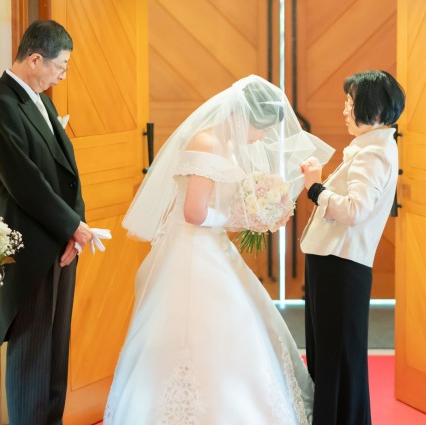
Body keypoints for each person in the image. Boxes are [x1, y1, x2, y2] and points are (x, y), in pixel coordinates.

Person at [104, 75, 333, 424]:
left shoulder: (227, 144)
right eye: (262, 129)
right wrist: (239, 217)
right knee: (199, 328)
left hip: (213, 245)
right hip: (192, 251)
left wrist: (258, 208)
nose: (263, 137)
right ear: (244, 117)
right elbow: (193, 213)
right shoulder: (207, 143)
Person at [0, 20, 92, 425]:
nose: (62, 76)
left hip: (60, 242)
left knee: (55, 357)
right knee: (32, 361)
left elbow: (65, 170)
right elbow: (26, 182)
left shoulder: (42, 101)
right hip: (29, 248)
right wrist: (72, 227)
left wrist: (75, 228)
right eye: (60, 67)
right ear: (35, 59)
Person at [299, 69, 405, 425]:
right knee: (331, 357)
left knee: (336, 358)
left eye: (350, 102)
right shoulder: (372, 147)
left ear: (373, 110)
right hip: (333, 262)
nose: (344, 110)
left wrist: (315, 188)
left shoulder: (373, 153)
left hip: (339, 265)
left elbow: (356, 210)